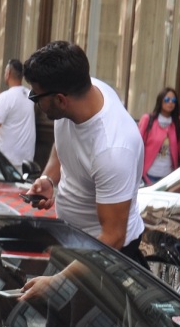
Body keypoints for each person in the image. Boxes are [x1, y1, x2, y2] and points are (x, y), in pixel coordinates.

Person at [21, 41, 144, 275]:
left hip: (105, 258)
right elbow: (66, 141)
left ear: (60, 99)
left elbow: (113, 237)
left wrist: (57, 282)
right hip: (72, 239)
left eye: (36, 96)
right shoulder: (80, 93)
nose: (35, 102)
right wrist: (49, 179)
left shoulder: (114, 150)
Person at [0, 59, 37, 168]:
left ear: (8, 74)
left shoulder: (5, 98)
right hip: (26, 161)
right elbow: (13, 105)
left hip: (5, 160)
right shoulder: (29, 95)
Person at [138, 87, 180, 184]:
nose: (170, 102)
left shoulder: (178, 122)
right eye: (167, 100)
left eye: (173, 100)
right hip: (148, 175)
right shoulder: (148, 119)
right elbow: (137, 145)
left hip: (169, 176)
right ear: (160, 101)